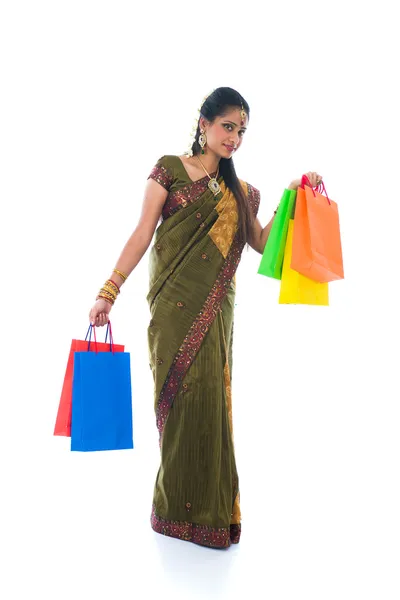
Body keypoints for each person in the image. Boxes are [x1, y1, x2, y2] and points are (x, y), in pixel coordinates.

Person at [88, 87, 322, 549]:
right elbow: (141, 233)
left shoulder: (243, 191)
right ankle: (173, 510)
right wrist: (108, 290)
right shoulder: (170, 170)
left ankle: (209, 516)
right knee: (179, 404)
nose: (234, 138)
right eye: (228, 126)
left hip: (216, 311)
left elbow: (259, 241)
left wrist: (290, 197)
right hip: (173, 311)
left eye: (241, 131)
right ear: (204, 123)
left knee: (211, 402)